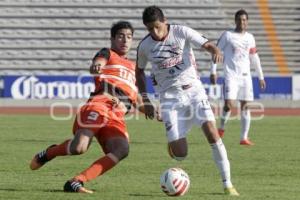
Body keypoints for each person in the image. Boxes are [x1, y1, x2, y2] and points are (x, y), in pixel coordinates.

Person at [30, 21, 145, 193]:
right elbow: (97, 64)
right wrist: (96, 66)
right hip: (100, 104)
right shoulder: (108, 53)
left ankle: (76, 181)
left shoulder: (135, 69)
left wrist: (156, 111)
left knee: (122, 149)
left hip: (117, 115)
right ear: (113, 38)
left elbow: (139, 102)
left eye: (129, 37)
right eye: (121, 36)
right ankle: (48, 154)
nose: (125, 40)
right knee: (79, 148)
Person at [136, 6, 239, 196]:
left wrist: (215, 49)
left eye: (157, 27)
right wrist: (146, 100)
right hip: (169, 99)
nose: (155, 32)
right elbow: (139, 71)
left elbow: (206, 44)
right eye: (150, 29)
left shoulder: (181, 31)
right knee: (180, 154)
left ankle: (228, 184)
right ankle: (174, 145)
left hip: (194, 92)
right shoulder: (145, 46)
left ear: (165, 20)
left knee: (213, 134)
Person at [210, 9, 266, 145]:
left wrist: (260, 76)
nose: (242, 22)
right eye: (240, 20)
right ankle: (221, 128)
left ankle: (244, 138)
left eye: (245, 20)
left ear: (247, 22)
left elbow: (254, 58)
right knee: (229, 105)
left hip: (246, 77)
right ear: (235, 21)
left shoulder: (250, 38)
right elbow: (216, 52)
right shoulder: (228, 36)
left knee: (245, 106)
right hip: (231, 76)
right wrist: (213, 71)